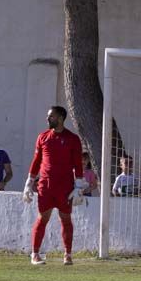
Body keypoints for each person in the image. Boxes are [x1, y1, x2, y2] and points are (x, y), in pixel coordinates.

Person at [23, 105, 85, 266]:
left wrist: (78, 186)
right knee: (42, 218)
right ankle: (35, 254)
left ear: (60, 118)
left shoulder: (72, 139)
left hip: (65, 186)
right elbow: (36, 162)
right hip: (45, 185)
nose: (47, 119)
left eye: (51, 116)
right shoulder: (42, 137)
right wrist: (29, 183)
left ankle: (68, 254)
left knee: (65, 218)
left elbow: (78, 164)